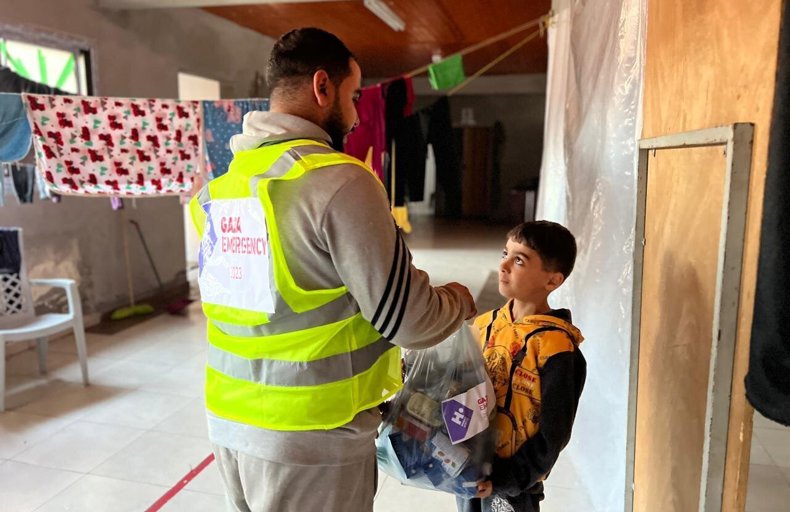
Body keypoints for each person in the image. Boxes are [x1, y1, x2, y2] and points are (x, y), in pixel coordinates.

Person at [189, 27, 476, 512]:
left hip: (229, 422)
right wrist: (460, 300)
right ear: (323, 87)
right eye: (354, 94)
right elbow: (411, 320)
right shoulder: (340, 181)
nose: (359, 111)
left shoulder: (219, 189)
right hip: (310, 438)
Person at [458, 221, 587, 512]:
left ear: (552, 281)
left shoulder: (557, 348)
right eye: (505, 253)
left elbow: (554, 434)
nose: (503, 265)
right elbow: (461, 386)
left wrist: (507, 477)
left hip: (514, 485)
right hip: (469, 469)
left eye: (519, 260)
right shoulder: (485, 325)